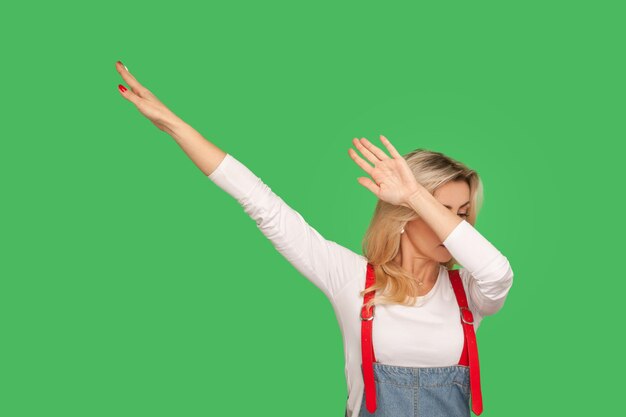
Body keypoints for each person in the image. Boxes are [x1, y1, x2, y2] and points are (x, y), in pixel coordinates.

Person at [115, 61, 514, 417]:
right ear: (404, 218)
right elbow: (262, 203)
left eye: (462, 214)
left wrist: (415, 196)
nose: (455, 227)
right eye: (441, 210)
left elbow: (498, 272)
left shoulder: (471, 295)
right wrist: (174, 125)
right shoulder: (352, 279)